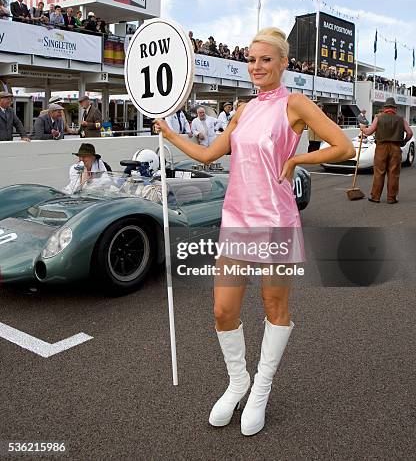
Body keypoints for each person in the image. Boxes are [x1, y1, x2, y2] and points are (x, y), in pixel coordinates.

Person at [154, 26, 354, 436]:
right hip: (238, 220)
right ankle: (238, 381)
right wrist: (171, 135)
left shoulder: (295, 103)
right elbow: (211, 154)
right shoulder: (243, 109)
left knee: (274, 310)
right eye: (251, 59)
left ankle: (261, 388)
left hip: (276, 221)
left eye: (266, 59)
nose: (257, 66)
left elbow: (343, 146)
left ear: (283, 63)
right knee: (223, 310)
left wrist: (297, 160)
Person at [360, 97, 413, 204]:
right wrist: (403, 142)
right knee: (393, 173)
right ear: (395, 108)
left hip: (381, 148)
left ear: (385, 108)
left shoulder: (378, 117)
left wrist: (362, 128)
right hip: (396, 148)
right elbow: (410, 133)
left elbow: (369, 132)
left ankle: (375, 197)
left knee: (379, 173)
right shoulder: (401, 119)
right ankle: (391, 198)